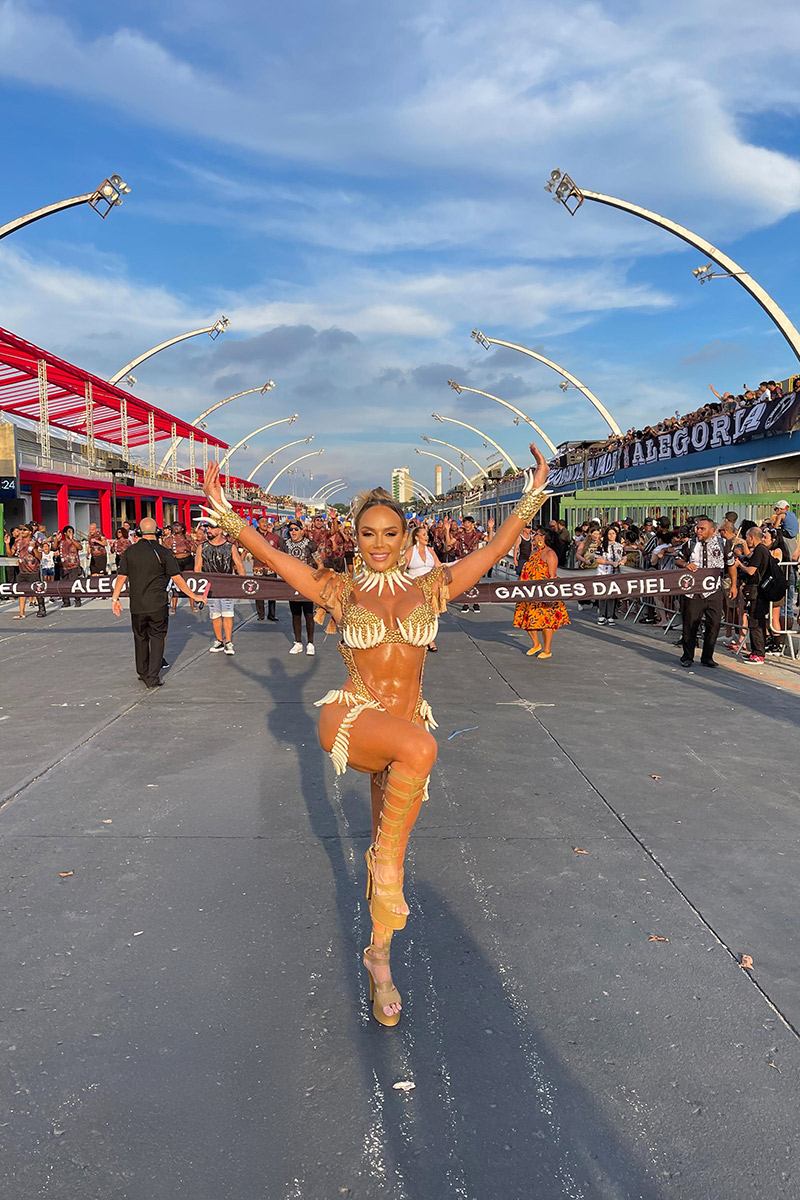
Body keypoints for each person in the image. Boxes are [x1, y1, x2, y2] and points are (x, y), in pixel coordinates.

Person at [198, 444, 549, 1027]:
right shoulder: (337, 590)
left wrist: (533, 492)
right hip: (353, 717)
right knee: (420, 755)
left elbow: (494, 548)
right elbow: (270, 554)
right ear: (354, 538)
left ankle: (379, 958)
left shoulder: (435, 586)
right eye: (368, 533)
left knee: (399, 840)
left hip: (405, 729)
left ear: (407, 537)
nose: (379, 542)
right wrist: (229, 513)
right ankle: (383, 869)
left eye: (390, 532)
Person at [111, 517, 196, 687]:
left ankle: (142, 672)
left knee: (140, 637)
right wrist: (193, 595)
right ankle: (152, 676)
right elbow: (177, 578)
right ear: (157, 531)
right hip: (157, 604)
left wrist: (115, 598)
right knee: (157, 637)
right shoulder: (164, 552)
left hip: (137, 604)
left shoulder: (130, 552)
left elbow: (121, 577)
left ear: (140, 532)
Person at [675, 516, 737, 668]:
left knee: (714, 623)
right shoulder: (690, 543)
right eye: (697, 528)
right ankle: (687, 656)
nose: (698, 531)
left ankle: (707, 656)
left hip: (713, 590)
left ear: (712, 530)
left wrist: (733, 585)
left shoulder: (722, 544)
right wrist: (686, 565)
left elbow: (731, 565)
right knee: (690, 624)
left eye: (702, 528)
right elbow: (677, 559)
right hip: (693, 591)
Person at [512, 526, 569, 658]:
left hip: (544, 591)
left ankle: (547, 649)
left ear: (543, 537)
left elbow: (553, 576)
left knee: (546, 620)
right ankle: (536, 643)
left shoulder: (550, 554)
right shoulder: (534, 553)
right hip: (529, 591)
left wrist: (550, 595)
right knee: (525, 617)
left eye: (537, 534)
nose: (534, 536)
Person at [196, 521, 245, 655]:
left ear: (220, 530)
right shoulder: (202, 547)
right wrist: (199, 590)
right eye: (207, 528)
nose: (208, 530)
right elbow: (197, 568)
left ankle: (228, 642)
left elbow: (240, 566)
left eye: (211, 527)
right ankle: (219, 641)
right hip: (210, 587)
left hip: (227, 585)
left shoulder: (230, 547)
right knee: (215, 614)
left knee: (227, 613)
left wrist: (242, 585)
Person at [282, 520, 318, 654]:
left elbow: (318, 562)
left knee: (308, 613)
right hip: (292, 583)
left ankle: (310, 643)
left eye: (296, 529)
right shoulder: (285, 544)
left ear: (302, 531)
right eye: (291, 529)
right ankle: (298, 642)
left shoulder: (310, 544)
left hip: (307, 582)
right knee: (295, 613)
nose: (293, 532)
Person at [404, 525, 441, 651]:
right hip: (416, 587)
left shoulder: (430, 550)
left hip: (430, 586)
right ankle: (424, 639)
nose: (427, 537)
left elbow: (438, 565)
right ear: (417, 537)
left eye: (427, 534)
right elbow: (403, 567)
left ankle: (430, 639)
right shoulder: (410, 551)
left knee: (431, 613)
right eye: (424, 534)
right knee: (419, 614)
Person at [252, 517, 286, 622]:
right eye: (262, 522)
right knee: (258, 592)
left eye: (266, 522)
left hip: (271, 568)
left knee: (272, 592)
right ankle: (260, 614)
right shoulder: (254, 536)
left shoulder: (274, 537)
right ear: (258, 524)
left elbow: (284, 546)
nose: (265, 524)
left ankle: (272, 614)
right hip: (258, 567)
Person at [450, 514, 485, 612]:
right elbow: (449, 542)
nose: (466, 524)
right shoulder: (459, 534)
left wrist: (490, 528)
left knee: (475, 581)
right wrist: (446, 530)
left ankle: (475, 602)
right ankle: (465, 603)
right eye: (465, 522)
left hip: (474, 561)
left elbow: (489, 540)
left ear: (472, 524)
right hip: (463, 560)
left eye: (468, 522)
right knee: (464, 582)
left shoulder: (477, 534)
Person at [162, 521, 196, 613]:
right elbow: (164, 551)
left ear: (182, 528)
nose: (175, 528)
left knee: (190, 583)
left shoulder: (187, 537)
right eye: (174, 526)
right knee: (175, 583)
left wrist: (191, 546)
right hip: (176, 560)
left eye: (178, 526)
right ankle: (174, 606)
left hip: (188, 560)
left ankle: (192, 605)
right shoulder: (169, 539)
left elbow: (195, 549)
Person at [12, 525, 45, 618]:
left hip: (33, 571)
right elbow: (11, 553)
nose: (22, 531)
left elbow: (40, 557)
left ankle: (42, 609)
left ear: (30, 532)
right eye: (21, 530)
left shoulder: (35, 542)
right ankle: (21, 613)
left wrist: (34, 548)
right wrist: (7, 543)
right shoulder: (18, 542)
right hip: (22, 571)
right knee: (21, 591)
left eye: (25, 530)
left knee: (38, 590)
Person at [595, 526, 624, 625]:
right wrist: (610, 563)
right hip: (604, 572)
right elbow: (598, 559)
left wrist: (622, 561)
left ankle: (610, 615)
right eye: (609, 534)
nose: (611, 536)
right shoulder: (602, 546)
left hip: (615, 572)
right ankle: (602, 615)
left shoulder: (619, 546)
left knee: (612, 594)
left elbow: (624, 556)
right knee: (603, 594)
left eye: (613, 533)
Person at [56, 525, 84, 607]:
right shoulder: (61, 543)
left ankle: (77, 600)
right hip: (63, 567)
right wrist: (55, 540)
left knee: (75, 583)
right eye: (69, 532)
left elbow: (80, 547)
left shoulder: (75, 542)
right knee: (64, 585)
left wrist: (72, 539)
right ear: (65, 533)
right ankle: (66, 601)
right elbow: (54, 548)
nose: (70, 533)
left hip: (74, 566)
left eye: (72, 532)